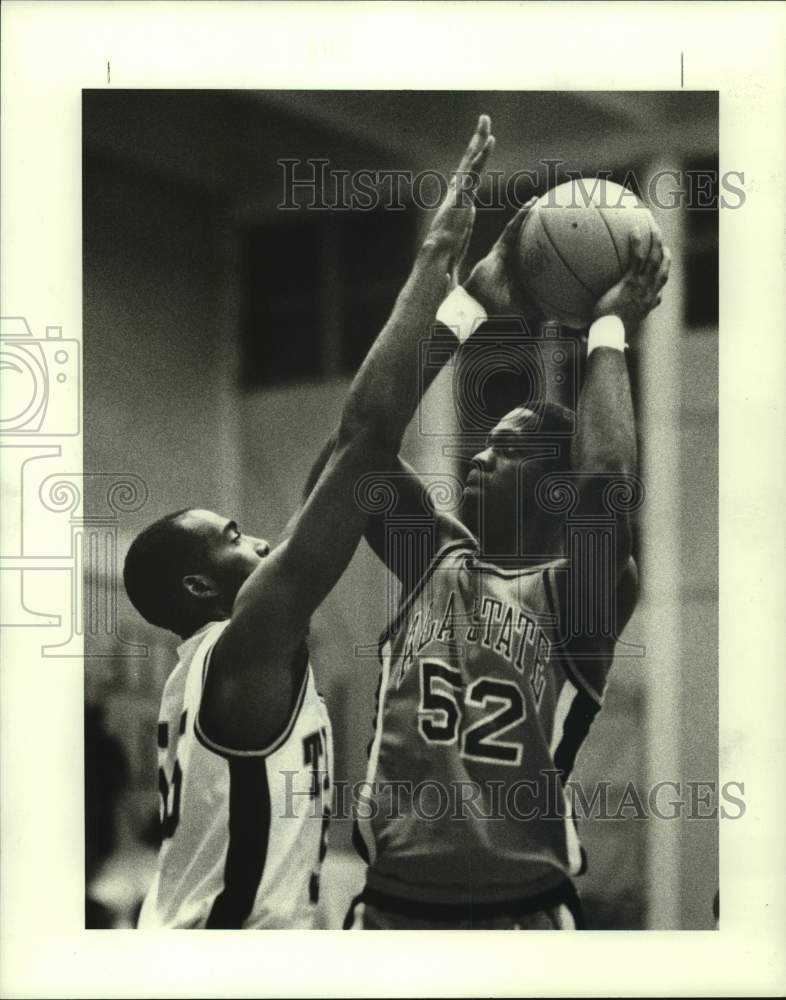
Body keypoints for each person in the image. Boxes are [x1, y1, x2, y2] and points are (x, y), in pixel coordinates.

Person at [122, 116, 496, 929]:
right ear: (198, 584)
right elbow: (364, 442)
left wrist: (470, 310)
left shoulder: (228, 652)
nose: (258, 539)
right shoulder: (247, 642)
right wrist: (437, 265)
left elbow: (340, 455)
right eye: (232, 538)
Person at [341, 172, 671, 929]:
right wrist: (469, 304)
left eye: (508, 450)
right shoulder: (435, 561)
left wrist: (610, 334)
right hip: (391, 912)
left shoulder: (581, 597)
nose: (476, 461)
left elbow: (607, 483)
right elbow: (357, 445)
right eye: (484, 445)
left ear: (554, 487)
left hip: (517, 916)